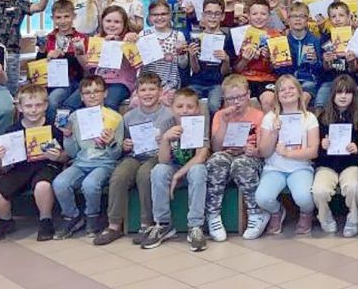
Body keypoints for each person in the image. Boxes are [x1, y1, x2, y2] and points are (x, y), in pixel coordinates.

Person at [93, 72, 171, 246]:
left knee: (144, 175)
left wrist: (164, 141)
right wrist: (125, 145)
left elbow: (173, 145)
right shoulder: (128, 117)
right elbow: (122, 146)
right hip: (134, 155)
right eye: (143, 89)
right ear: (136, 93)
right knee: (119, 175)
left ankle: (146, 224)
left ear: (160, 92)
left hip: (156, 156)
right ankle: (114, 225)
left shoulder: (169, 115)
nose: (148, 93)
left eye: (152, 89)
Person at [0, 84, 66, 242]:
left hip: (46, 166)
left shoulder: (54, 128)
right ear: (20, 108)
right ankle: (6, 220)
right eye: (28, 106)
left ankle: (46, 220)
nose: (33, 110)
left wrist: (58, 157)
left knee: (42, 185)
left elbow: (66, 157)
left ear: (45, 105)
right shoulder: (12, 131)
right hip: (19, 169)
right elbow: (3, 167)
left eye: (38, 105)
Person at [53, 76, 124, 239]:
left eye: (97, 91)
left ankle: (93, 216)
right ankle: (72, 216)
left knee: (90, 184)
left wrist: (111, 142)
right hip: (80, 162)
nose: (92, 96)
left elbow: (117, 154)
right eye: (87, 92)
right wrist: (68, 135)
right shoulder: (74, 117)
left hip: (105, 163)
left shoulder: (115, 118)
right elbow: (71, 152)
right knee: (60, 183)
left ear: (105, 93)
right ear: (81, 96)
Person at [142, 87, 210, 252]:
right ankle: (163, 224)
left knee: (198, 170)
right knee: (158, 170)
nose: (185, 111)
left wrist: (177, 176)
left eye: (190, 106)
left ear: (197, 108)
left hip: (192, 168)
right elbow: (163, 160)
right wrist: (165, 139)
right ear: (172, 109)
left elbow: (201, 156)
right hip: (173, 165)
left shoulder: (201, 122)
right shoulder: (167, 123)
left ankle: (195, 226)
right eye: (180, 107)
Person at [255, 75, 320, 236]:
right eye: (282, 89)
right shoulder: (270, 118)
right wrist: (274, 132)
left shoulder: (309, 118)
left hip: (300, 168)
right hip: (274, 169)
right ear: (277, 95)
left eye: (291, 88)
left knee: (304, 197)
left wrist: (288, 153)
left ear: (299, 92)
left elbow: (313, 151)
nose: (287, 92)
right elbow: (264, 152)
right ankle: (277, 212)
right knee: (262, 198)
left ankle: (306, 214)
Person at [205, 74, 267, 241]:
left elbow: (261, 149)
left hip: (249, 157)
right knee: (216, 161)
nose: (236, 102)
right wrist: (224, 123)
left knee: (240, 164)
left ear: (248, 95)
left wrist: (251, 150)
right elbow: (216, 148)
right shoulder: (220, 115)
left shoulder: (258, 115)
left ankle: (256, 213)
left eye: (240, 97)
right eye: (231, 99)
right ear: (224, 99)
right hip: (226, 154)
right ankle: (213, 215)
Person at [313, 75, 358, 237]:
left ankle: (354, 218)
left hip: (350, 165)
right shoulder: (322, 118)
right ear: (332, 95)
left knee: (354, 187)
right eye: (339, 92)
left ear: (353, 95)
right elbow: (316, 153)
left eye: (347, 93)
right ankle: (325, 217)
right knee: (319, 190)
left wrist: (357, 149)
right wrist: (323, 146)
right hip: (327, 166)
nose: (343, 96)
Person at [69, 5, 138, 110]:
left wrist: (122, 43)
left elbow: (136, 62)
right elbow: (88, 67)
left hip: (120, 83)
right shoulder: (97, 39)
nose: (112, 25)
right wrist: (79, 50)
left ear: (124, 24)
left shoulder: (129, 39)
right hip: (97, 81)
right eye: (108, 21)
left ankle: (108, 126)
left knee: (109, 103)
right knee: (70, 104)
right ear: (102, 22)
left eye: (117, 22)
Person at [37, 0, 88, 114]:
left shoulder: (81, 38)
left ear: (73, 17)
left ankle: (55, 131)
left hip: (73, 80)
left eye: (66, 16)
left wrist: (63, 55)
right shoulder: (48, 38)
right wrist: (43, 53)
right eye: (58, 17)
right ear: (52, 19)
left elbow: (85, 67)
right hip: (50, 81)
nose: (63, 21)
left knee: (53, 101)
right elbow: (38, 67)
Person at [187, 0, 235, 114]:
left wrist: (226, 60)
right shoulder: (196, 38)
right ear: (203, 15)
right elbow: (195, 69)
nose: (213, 17)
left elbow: (225, 73)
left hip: (217, 83)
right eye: (209, 13)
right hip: (197, 82)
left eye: (217, 13)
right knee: (187, 102)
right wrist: (192, 56)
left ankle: (213, 131)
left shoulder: (227, 38)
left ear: (222, 16)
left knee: (214, 105)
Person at [234, 0, 282, 112]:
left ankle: (268, 129)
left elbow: (279, 69)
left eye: (263, 13)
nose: (259, 17)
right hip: (245, 78)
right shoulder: (240, 34)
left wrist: (270, 58)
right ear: (248, 16)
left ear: (269, 16)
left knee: (268, 100)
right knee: (237, 100)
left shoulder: (277, 36)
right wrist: (245, 60)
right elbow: (235, 69)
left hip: (268, 79)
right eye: (254, 14)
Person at [138, 0, 189, 104]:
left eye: (163, 14)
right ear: (150, 17)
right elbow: (137, 63)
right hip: (147, 85)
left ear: (170, 15)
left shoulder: (178, 35)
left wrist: (181, 53)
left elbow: (183, 65)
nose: (159, 17)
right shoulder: (143, 35)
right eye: (155, 15)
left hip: (170, 85)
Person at [274, 1, 323, 101]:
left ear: (307, 20)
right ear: (288, 20)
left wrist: (315, 62)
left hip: (308, 80)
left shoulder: (316, 41)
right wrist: (277, 65)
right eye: (294, 16)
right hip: (288, 80)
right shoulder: (283, 42)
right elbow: (279, 72)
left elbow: (321, 70)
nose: (298, 19)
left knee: (304, 95)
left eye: (302, 16)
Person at [315, 0, 358, 109]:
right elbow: (326, 68)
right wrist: (326, 61)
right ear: (330, 20)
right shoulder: (325, 38)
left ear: (349, 17)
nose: (337, 19)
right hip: (331, 80)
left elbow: (355, 70)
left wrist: (352, 62)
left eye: (341, 15)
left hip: (351, 80)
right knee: (320, 101)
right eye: (333, 16)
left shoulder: (356, 37)